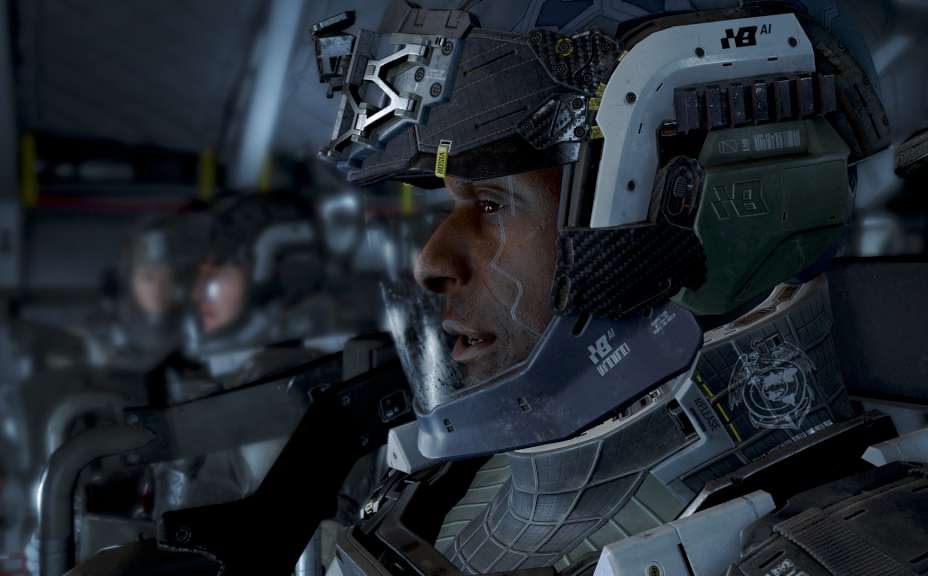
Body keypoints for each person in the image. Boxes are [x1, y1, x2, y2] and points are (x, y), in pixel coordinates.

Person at [308, 1, 923, 574]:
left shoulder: (862, 550)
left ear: (703, 202)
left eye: (492, 204)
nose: (430, 261)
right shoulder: (438, 491)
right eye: (451, 206)